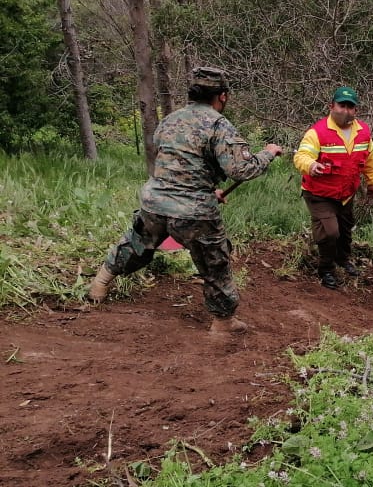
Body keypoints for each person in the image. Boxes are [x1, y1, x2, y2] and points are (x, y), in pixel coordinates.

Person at [86, 67, 283, 333]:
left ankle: (100, 283)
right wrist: (268, 153)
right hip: (193, 213)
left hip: (155, 202)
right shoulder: (218, 124)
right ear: (222, 96)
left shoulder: (170, 119)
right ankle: (224, 322)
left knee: (137, 244)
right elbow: (241, 169)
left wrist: (206, 187)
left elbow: (173, 159)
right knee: (215, 262)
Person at [293, 86, 373, 290]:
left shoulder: (363, 132)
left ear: (356, 110)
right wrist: (311, 165)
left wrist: (372, 183)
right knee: (330, 232)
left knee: (345, 229)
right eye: (342, 105)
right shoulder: (318, 132)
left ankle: (343, 259)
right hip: (319, 193)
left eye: (350, 107)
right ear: (331, 106)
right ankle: (325, 269)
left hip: (346, 193)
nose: (345, 110)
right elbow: (301, 156)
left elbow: (370, 159)